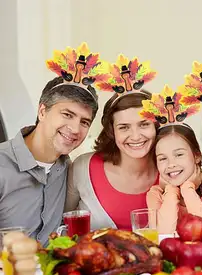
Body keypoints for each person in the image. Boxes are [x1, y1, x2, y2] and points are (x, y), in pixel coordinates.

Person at [0, 42, 102, 246]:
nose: (75, 129)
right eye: (67, 114)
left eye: (84, 122)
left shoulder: (70, 171)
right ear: (42, 111)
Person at [65, 54, 159, 231]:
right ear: (111, 131)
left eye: (144, 124)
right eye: (124, 127)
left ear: (156, 126)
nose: (136, 136)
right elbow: (62, 226)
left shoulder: (171, 171)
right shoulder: (82, 168)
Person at [146, 124, 202, 234]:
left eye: (179, 154)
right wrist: (171, 192)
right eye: (163, 158)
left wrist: (188, 189)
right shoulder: (155, 194)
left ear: (197, 156)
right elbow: (161, 236)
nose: (171, 164)